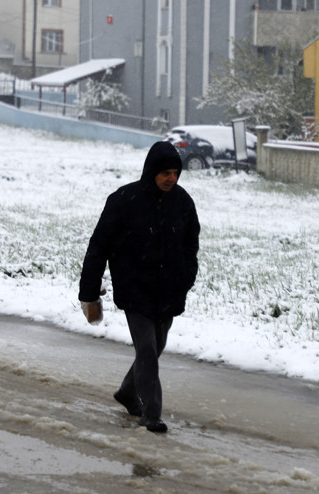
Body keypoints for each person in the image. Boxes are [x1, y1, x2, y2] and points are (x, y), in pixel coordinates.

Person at [79, 140, 200, 433]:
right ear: (152, 171)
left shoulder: (182, 202)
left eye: (175, 172)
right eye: (165, 173)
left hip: (168, 289)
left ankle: (127, 392)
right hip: (134, 288)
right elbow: (99, 246)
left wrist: (185, 278)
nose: (171, 178)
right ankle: (151, 413)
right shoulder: (124, 200)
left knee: (156, 347)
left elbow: (190, 245)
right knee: (146, 349)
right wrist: (89, 292)